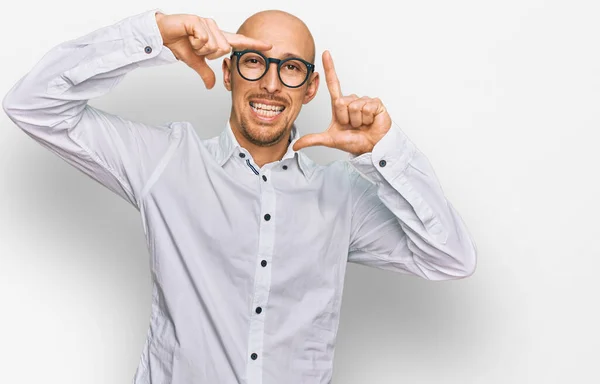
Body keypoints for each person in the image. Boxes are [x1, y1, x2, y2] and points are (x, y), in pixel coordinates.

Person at [2, 7, 477, 384]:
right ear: (228, 73)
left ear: (310, 89)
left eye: (290, 68)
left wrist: (385, 152)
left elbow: (450, 258)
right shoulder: (166, 161)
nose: (271, 83)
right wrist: (154, 36)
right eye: (255, 61)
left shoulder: (342, 195)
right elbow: (31, 105)